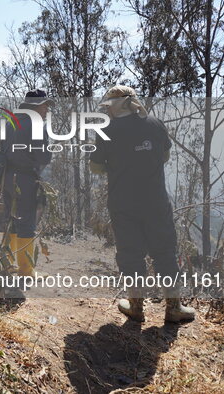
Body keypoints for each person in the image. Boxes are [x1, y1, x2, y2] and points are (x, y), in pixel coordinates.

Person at [90, 85, 195, 323]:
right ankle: (174, 307)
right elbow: (165, 156)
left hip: (122, 202)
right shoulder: (155, 124)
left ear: (114, 106)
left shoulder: (106, 129)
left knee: (130, 253)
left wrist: (116, 167)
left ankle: (136, 306)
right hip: (155, 199)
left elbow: (95, 167)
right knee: (164, 250)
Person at [1, 89, 53, 277]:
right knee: (27, 222)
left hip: (6, 178)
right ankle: (26, 270)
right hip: (25, 179)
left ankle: (7, 265)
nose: (47, 109)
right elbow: (44, 156)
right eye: (45, 105)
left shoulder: (10, 123)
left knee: (10, 221)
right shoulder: (37, 124)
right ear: (35, 106)